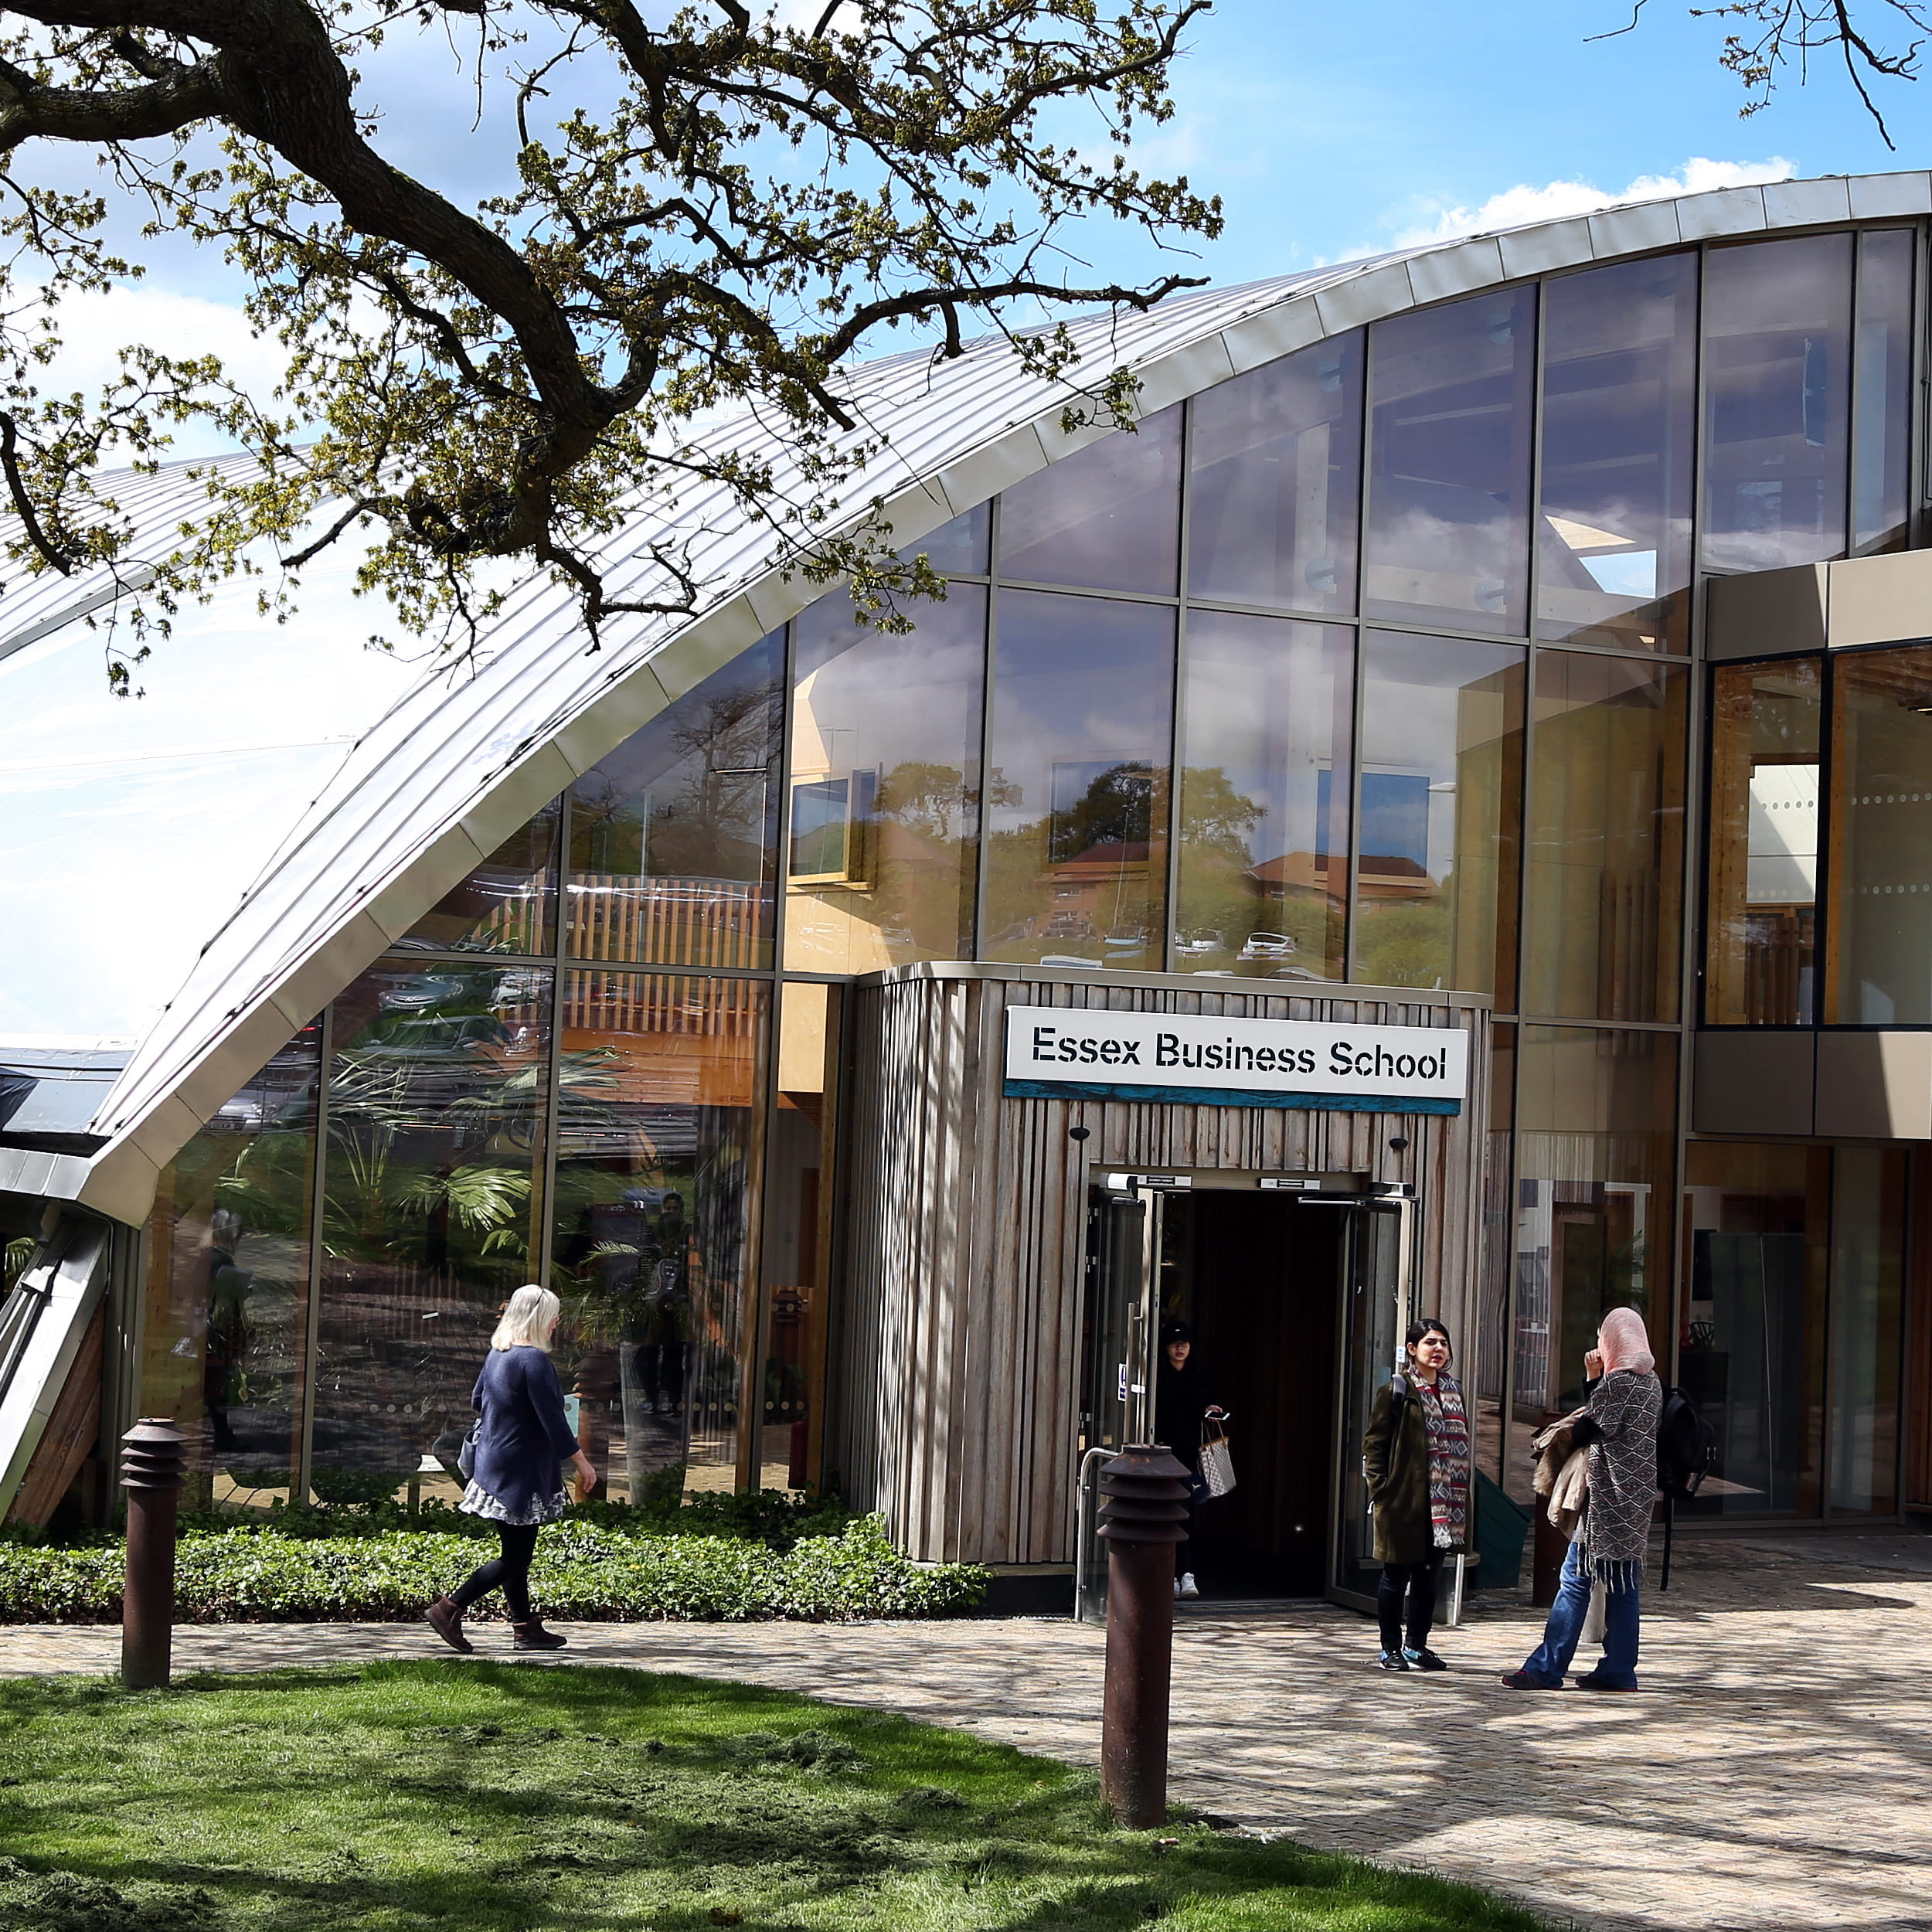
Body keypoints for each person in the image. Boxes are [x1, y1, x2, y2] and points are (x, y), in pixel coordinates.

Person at [424, 1284, 597, 1654]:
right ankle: (449, 1608)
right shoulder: (534, 1361)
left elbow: (477, 1400)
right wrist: (581, 1461)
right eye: (553, 1316)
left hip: (494, 1464)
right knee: (516, 1557)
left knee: (516, 1551)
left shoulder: (498, 1353)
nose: (556, 1323)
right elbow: (553, 1419)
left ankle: (525, 1628)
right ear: (538, 1319)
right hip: (521, 1469)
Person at [1502, 1306, 1663, 1692]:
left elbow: (1589, 1428)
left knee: (1574, 1581)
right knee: (1624, 1586)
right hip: (1637, 1498)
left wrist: (1593, 1380)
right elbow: (1613, 1423)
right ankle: (1619, 1669)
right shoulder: (1652, 1382)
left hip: (1606, 1500)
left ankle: (1546, 1668)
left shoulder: (1618, 1382)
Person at [1360, 1317, 1470, 1672]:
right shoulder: (1397, 1390)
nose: (1438, 1349)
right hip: (1404, 1501)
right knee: (1396, 1576)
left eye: (1443, 1343)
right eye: (1430, 1343)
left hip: (1445, 1503)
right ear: (1412, 1349)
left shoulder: (1453, 1390)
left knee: (1428, 1576)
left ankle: (1417, 1646)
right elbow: (1374, 1446)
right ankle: (1390, 1647)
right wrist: (1383, 1490)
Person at [1155, 1320, 1223, 1601]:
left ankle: (1184, 1574)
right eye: (1174, 1343)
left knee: (1184, 1512)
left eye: (1185, 1343)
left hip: (1192, 1455)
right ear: (1166, 1346)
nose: (1180, 1348)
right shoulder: (1157, 1375)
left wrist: (1212, 1410)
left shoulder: (1200, 1376)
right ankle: (1174, 1574)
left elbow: (1216, 1405)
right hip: (1161, 1453)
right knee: (1166, 1512)